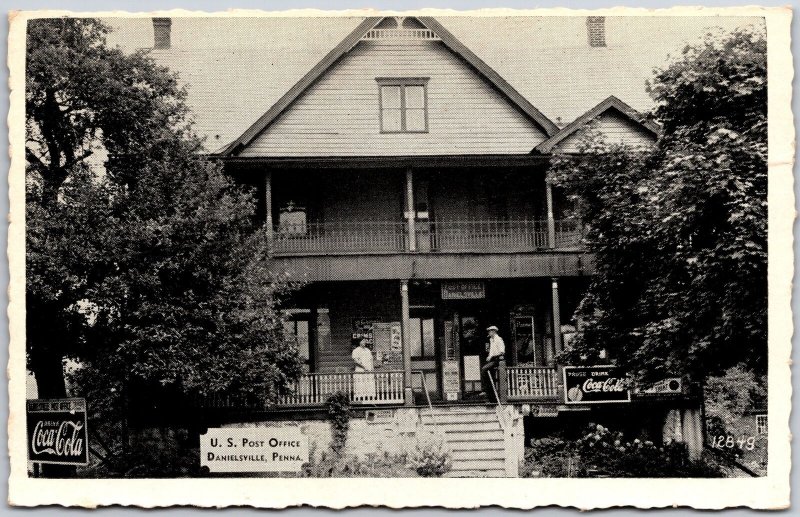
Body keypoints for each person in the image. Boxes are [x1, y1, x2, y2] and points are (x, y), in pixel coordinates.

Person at [481, 325, 505, 401]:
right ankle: (491, 397)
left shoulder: (499, 339)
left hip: (497, 360)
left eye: (490, 331)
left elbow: (502, 352)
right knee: (489, 376)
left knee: (484, 369)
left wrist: (492, 357)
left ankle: (484, 389)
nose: (489, 332)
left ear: (494, 331)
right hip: (492, 359)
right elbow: (491, 351)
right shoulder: (491, 340)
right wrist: (489, 356)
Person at [351, 337, 376, 402]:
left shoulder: (367, 350)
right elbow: (356, 361)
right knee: (360, 383)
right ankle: (360, 398)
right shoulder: (356, 350)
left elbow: (371, 359)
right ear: (359, 342)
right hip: (360, 370)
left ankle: (369, 397)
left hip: (369, 370)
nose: (364, 342)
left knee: (369, 383)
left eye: (365, 341)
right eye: (363, 341)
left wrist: (372, 368)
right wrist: (364, 367)